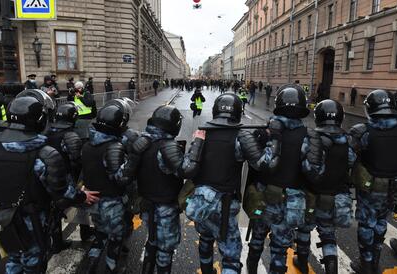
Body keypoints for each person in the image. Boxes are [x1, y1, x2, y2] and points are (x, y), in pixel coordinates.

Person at [0, 95, 98, 274]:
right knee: (34, 265)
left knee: (14, 259)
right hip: (32, 221)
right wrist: (81, 196)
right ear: (40, 120)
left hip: (2, 218)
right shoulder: (44, 154)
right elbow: (62, 193)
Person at [186, 94, 263, 274]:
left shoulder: (202, 133)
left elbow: (189, 162)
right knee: (231, 255)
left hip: (203, 202)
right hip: (226, 205)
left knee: (205, 239)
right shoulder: (239, 137)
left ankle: (206, 270)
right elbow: (260, 163)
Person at [127, 105, 205, 274]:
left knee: (152, 241)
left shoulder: (142, 142)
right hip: (165, 207)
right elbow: (188, 169)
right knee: (165, 249)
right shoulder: (167, 146)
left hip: (146, 202)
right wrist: (198, 141)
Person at [245, 84, 311, 274]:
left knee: (257, 238)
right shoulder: (307, 136)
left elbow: (255, 164)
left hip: (265, 196)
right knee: (280, 248)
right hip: (292, 200)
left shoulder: (265, 133)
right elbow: (310, 170)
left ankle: (252, 269)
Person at [293, 100, 356, 274]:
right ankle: (331, 268)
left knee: (304, 230)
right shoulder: (347, 142)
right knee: (328, 234)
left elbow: (303, 165)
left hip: (311, 195)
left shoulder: (312, 139)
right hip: (334, 196)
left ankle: (302, 262)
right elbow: (351, 162)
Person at [349, 89, 397, 274]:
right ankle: (375, 260)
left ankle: (366, 264)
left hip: (370, 190)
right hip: (393, 189)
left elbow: (347, 159)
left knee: (366, 226)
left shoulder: (363, 131)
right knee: (381, 223)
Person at [82, 102, 134, 273]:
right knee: (115, 238)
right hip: (112, 202)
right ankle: (111, 269)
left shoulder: (88, 145)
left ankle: (90, 267)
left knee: (100, 235)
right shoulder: (113, 147)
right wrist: (132, 160)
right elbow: (120, 179)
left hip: (93, 199)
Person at [46, 102, 83, 254]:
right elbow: (77, 158)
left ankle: (55, 242)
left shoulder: (47, 130)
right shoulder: (70, 135)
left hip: (46, 174)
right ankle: (84, 232)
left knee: (52, 210)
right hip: (64, 175)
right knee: (78, 201)